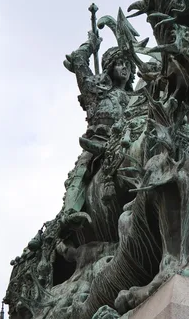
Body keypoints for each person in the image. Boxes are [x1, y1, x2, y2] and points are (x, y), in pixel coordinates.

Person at [60, 31, 136, 229]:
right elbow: (78, 59)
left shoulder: (135, 96)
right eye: (120, 63)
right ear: (110, 66)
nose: (125, 68)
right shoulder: (95, 90)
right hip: (99, 141)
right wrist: (91, 45)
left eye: (128, 65)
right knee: (83, 169)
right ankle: (70, 211)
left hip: (129, 137)